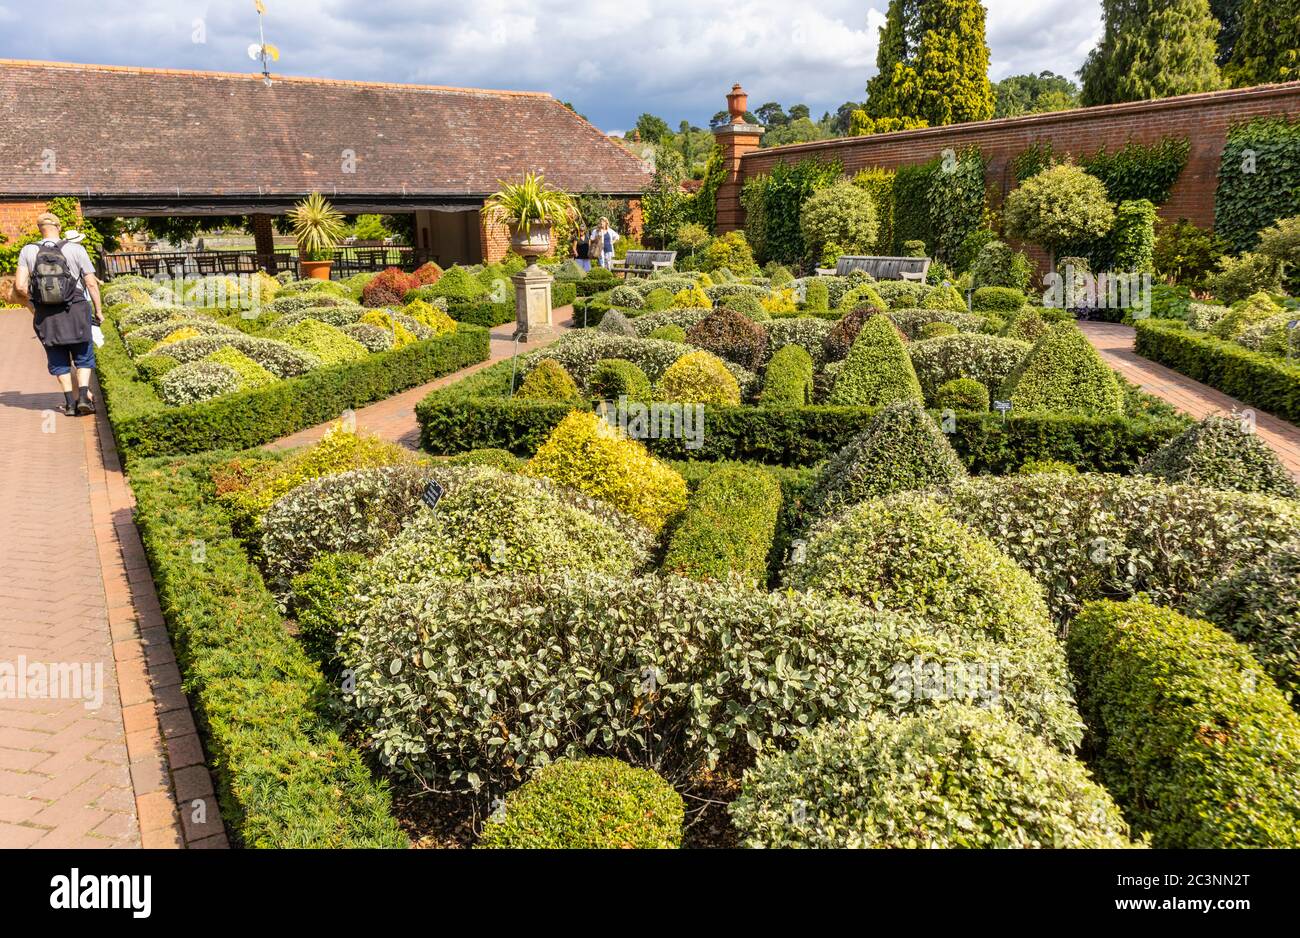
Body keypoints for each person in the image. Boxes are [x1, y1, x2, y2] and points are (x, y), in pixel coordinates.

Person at [14, 212, 104, 416]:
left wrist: (37, 302)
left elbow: (19, 286)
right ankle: (83, 398)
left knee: (57, 358)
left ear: (39, 229)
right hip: (76, 309)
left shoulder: (28, 250)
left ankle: (69, 404)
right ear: (59, 227)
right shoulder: (76, 248)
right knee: (83, 354)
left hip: (47, 315)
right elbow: (90, 282)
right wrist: (98, 311)